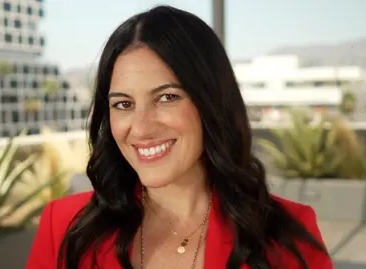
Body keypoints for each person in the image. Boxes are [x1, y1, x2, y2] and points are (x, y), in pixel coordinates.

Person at [26, 5, 333, 269]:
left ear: (210, 102)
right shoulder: (64, 227)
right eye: (124, 104)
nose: (142, 127)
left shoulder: (287, 237)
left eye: (167, 97)